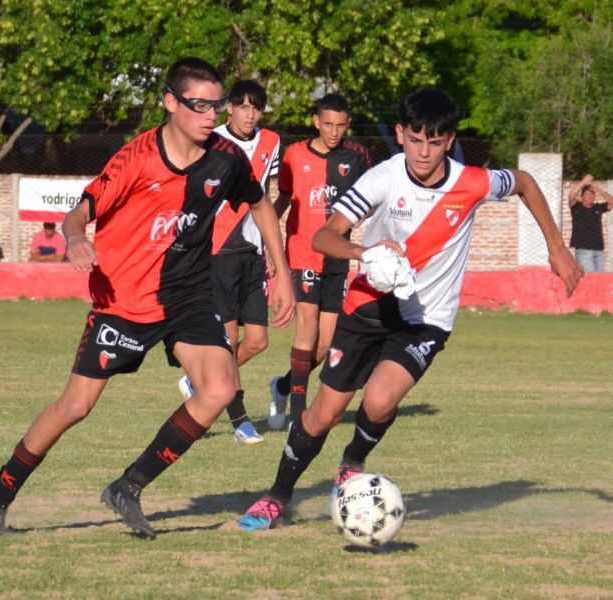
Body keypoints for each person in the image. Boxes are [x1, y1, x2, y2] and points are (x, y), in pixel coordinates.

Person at [0, 57, 295, 539]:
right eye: (200, 105)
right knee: (75, 407)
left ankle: (128, 487)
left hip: (187, 296)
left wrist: (283, 270)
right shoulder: (135, 159)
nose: (211, 115)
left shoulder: (228, 158)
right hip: (123, 302)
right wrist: (77, 238)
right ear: (170, 103)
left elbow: (259, 201)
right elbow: (78, 213)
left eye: (217, 105)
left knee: (221, 388)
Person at [238, 87, 582, 531]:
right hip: (366, 306)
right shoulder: (382, 178)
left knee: (380, 401)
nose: (424, 152)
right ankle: (276, 496)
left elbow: (526, 183)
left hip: (425, 320)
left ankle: (353, 462)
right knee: (322, 414)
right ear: (400, 134)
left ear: (450, 139)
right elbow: (326, 237)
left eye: (435, 142)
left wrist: (556, 247)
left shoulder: (472, 181)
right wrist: (366, 252)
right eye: (415, 139)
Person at [177, 79, 281, 445]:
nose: (249, 113)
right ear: (230, 108)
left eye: (256, 107)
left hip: (251, 252)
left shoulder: (272, 142)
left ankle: (201, 381)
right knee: (229, 338)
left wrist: (270, 246)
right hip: (217, 252)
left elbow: (265, 194)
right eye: (242, 106)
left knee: (258, 340)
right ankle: (240, 421)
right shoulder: (212, 141)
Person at [267, 94, 371, 431]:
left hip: (337, 259)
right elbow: (281, 199)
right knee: (306, 325)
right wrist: (269, 245)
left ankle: (282, 387)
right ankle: (299, 414)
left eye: (340, 125)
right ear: (315, 121)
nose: (334, 131)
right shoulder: (295, 155)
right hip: (302, 254)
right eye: (327, 124)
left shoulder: (358, 157)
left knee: (325, 345)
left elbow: (371, 199)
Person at [568, 174, 611, 272]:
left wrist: (598, 189)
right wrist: (583, 182)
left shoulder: (598, 208)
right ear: (582, 197)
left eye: (592, 194)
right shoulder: (576, 207)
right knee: (589, 278)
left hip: (599, 250)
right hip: (583, 250)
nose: (590, 196)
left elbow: (611, 202)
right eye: (587, 194)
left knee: (600, 280)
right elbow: (571, 195)